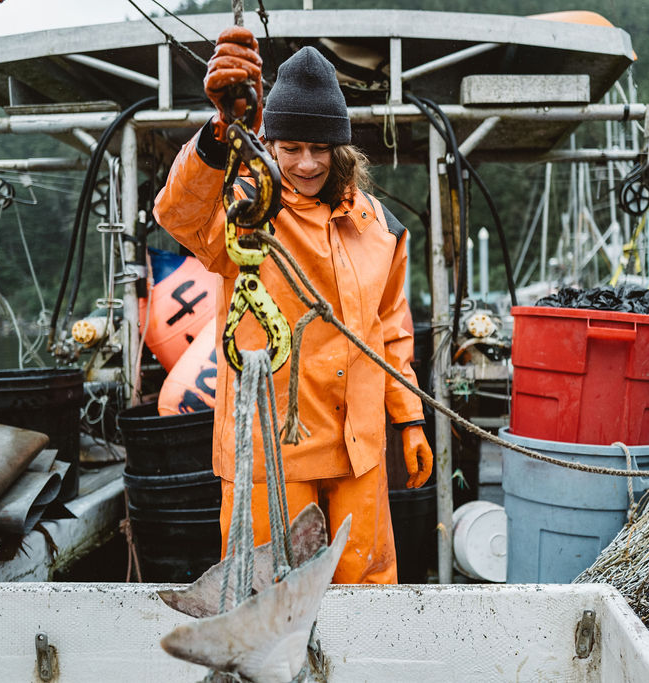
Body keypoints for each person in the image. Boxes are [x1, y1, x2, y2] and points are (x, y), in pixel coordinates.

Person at [153, 27, 433, 584]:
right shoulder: (246, 211)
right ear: (271, 146)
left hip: (360, 450)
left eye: (320, 148)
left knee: (366, 586)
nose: (306, 163)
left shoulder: (381, 227)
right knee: (264, 592)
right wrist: (218, 134)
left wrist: (410, 420)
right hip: (271, 453)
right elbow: (177, 214)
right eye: (291, 148)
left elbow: (391, 331)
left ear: (340, 149)